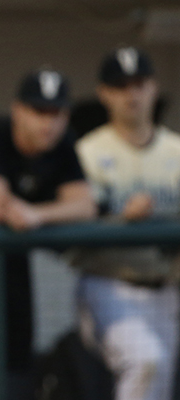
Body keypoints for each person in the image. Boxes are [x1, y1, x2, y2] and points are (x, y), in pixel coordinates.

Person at [0, 68, 96, 399]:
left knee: (17, 356)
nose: (48, 123)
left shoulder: (63, 143)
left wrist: (37, 214)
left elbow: (85, 205)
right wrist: (43, 212)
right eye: (39, 111)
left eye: (57, 113)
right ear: (18, 110)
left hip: (13, 258)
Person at [71, 46, 180, 400]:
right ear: (104, 93)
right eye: (121, 86)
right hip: (110, 284)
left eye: (139, 83)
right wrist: (119, 219)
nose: (131, 94)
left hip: (168, 283)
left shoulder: (176, 150)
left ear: (153, 87)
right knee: (146, 361)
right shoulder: (86, 152)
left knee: (158, 380)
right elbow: (74, 221)